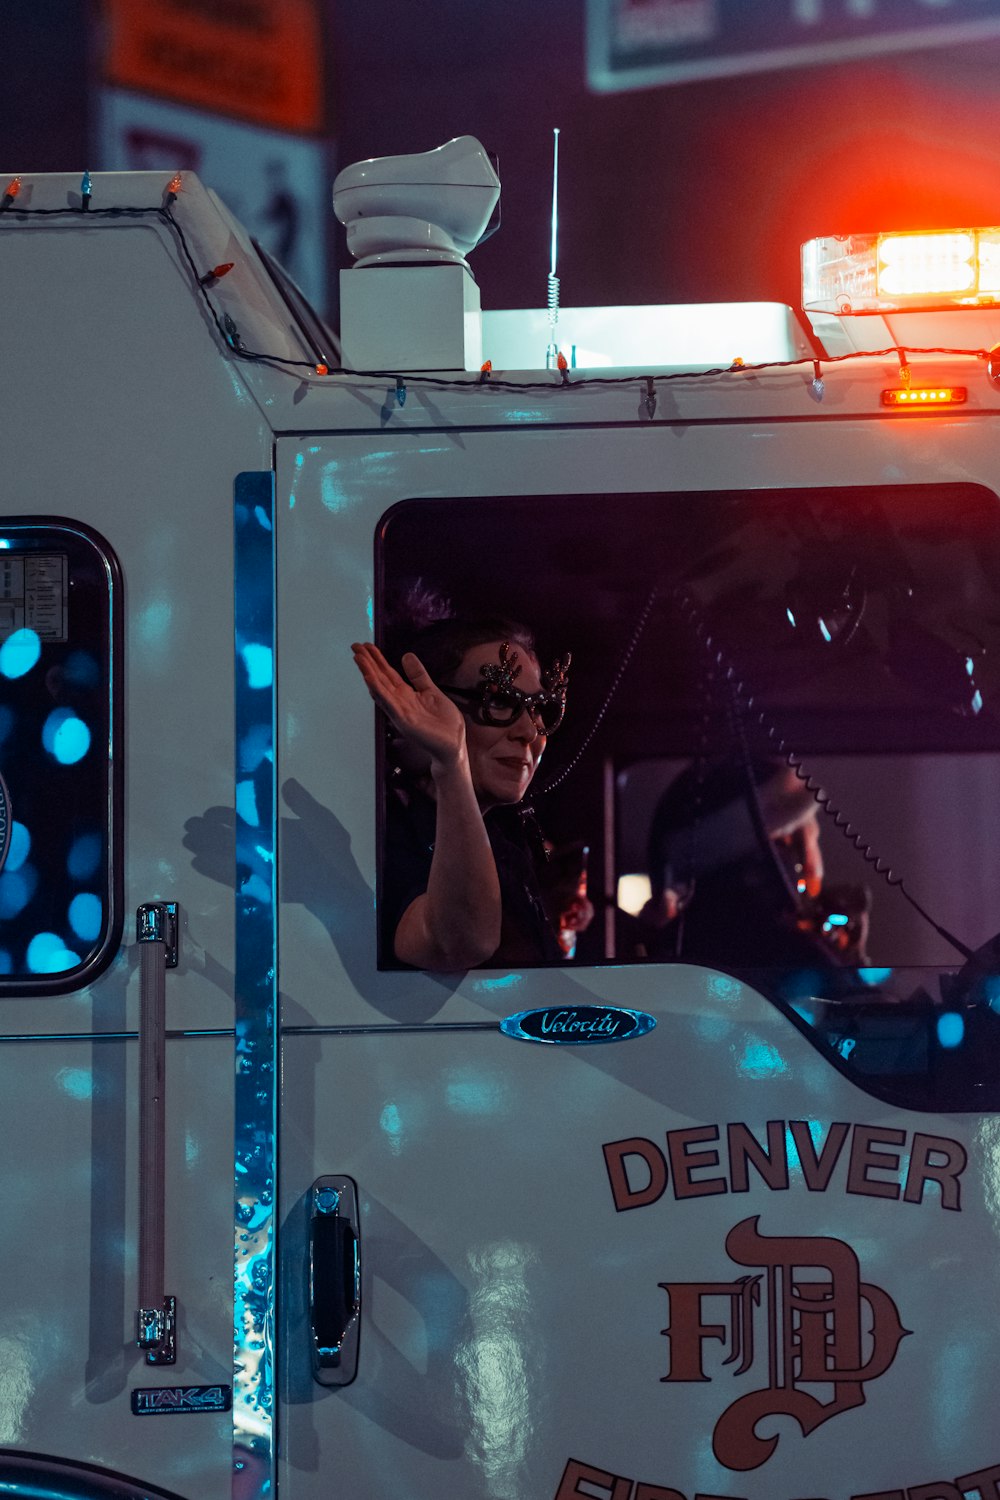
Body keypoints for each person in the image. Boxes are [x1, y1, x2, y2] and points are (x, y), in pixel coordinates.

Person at [351, 618, 571, 971]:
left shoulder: (507, 847)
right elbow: (461, 944)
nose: (529, 731)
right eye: (498, 701)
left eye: (540, 708)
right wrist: (451, 762)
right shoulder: (380, 836)